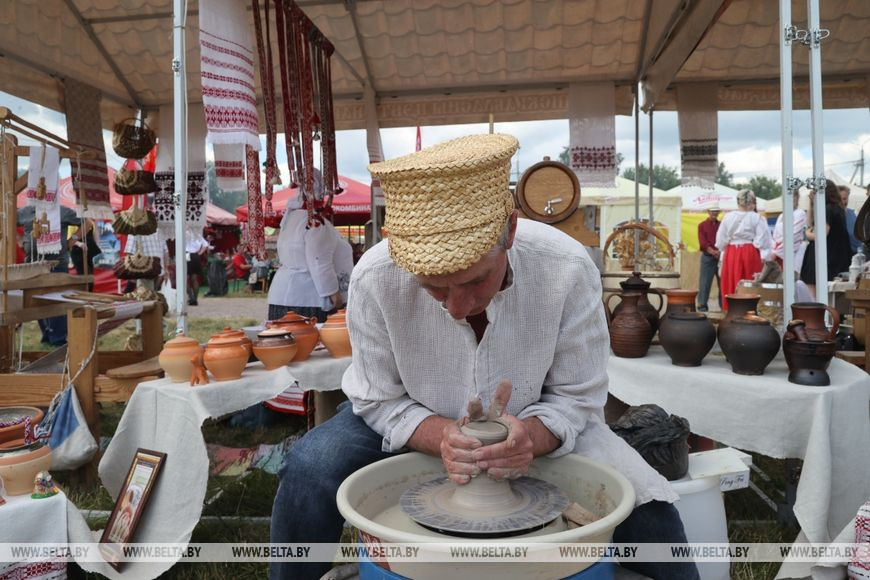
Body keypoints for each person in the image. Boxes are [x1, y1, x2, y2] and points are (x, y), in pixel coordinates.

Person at [270, 135, 698, 580]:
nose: (457, 308)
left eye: (474, 282)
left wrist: (531, 438)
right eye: (434, 289)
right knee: (310, 467)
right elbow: (378, 398)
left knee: (655, 521)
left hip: (534, 417)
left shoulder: (566, 269)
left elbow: (577, 397)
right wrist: (440, 434)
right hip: (412, 412)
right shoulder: (376, 277)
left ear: (510, 231)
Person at [266, 192, 354, 322]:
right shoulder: (315, 222)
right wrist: (333, 293)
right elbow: (319, 260)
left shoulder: (290, 219)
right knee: (312, 334)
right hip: (309, 299)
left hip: (281, 295)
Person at [17, 205, 81, 346]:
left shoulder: (63, 211)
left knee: (57, 300)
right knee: (37, 301)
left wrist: (72, 240)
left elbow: (86, 222)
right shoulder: (25, 211)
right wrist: (19, 239)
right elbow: (7, 222)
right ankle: (47, 334)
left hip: (57, 263)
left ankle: (58, 338)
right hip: (33, 266)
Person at [715, 189, 773, 309]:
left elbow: (721, 240)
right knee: (750, 280)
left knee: (731, 280)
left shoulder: (728, 217)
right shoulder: (757, 218)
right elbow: (763, 241)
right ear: (751, 202)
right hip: (749, 251)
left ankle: (731, 310)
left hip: (731, 252)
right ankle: (750, 310)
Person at [801, 179, 852, 298]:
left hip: (825, 260)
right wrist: (812, 204)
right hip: (832, 259)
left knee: (814, 297)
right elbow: (810, 224)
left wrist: (807, 234)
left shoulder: (829, 209)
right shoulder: (837, 209)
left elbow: (821, 235)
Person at [696, 206, 721, 311]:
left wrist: (720, 252)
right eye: (712, 211)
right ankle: (702, 305)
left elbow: (725, 239)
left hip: (721, 257)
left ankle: (724, 306)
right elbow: (703, 242)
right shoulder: (702, 225)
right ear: (708, 211)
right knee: (705, 283)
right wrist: (713, 252)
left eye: (716, 211)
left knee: (723, 283)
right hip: (708, 257)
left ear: (719, 212)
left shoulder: (722, 225)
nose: (714, 213)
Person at [68, 219, 102, 290]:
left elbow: (95, 237)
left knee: (90, 278)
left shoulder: (91, 222)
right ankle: (83, 293)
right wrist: (78, 243)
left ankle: (89, 293)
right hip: (78, 251)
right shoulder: (74, 222)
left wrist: (97, 247)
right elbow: (71, 237)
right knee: (83, 277)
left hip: (89, 251)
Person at [185, 230, 210, 305]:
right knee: (195, 279)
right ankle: (195, 299)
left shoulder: (184, 233)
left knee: (185, 278)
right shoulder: (197, 234)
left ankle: (191, 297)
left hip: (187, 254)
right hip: (195, 255)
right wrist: (199, 253)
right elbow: (205, 245)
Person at [839, 185, 860, 255]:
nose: (842, 202)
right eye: (839, 199)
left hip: (855, 255)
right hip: (839, 256)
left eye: (844, 199)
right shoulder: (831, 216)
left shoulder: (855, 214)